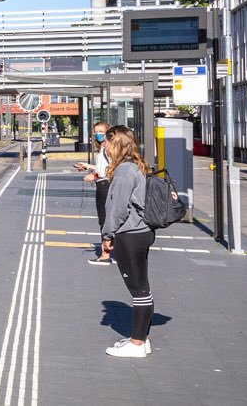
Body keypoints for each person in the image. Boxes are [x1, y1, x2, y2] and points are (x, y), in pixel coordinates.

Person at [99, 126, 155, 358]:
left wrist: (107, 235)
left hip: (130, 234)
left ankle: (137, 343)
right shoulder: (136, 165)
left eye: (108, 142)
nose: (104, 146)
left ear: (117, 144)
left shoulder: (123, 171)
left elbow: (117, 208)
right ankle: (142, 339)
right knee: (142, 287)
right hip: (141, 232)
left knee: (139, 290)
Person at [74, 121, 114, 265]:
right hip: (104, 184)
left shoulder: (109, 148)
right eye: (96, 131)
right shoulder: (104, 148)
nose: (98, 134)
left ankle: (105, 255)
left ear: (109, 132)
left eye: (101, 132)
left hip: (105, 186)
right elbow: (102, 168)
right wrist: (87, 166)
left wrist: (95, 176)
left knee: (104, 220)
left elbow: (110, 170)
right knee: (107, 220)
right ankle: (110, 252)